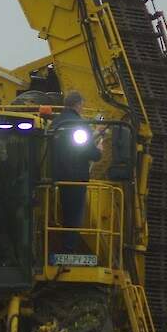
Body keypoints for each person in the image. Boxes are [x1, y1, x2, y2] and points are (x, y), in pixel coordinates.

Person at [51, 91, 102, 252]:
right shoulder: (80, 125)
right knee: (73, 217)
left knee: (59, 213)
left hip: (55, 179)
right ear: (78, 104)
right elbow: (91, 154)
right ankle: (68, 250)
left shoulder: (55, 124)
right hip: (76, 179)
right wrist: (99, 149)